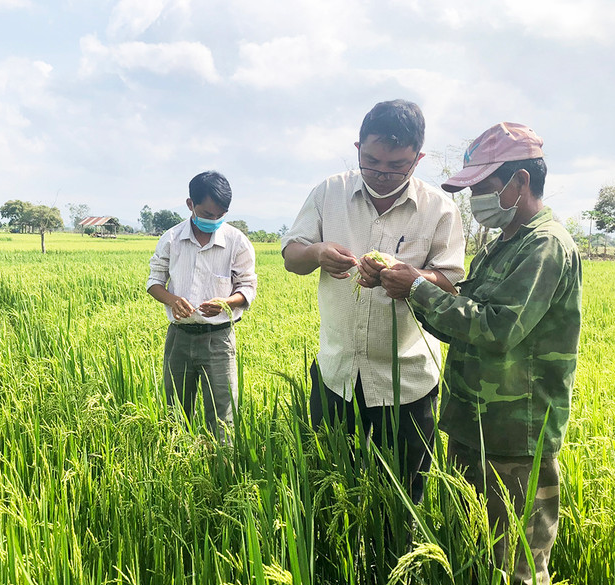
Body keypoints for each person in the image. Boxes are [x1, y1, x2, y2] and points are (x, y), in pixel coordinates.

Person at [378, 122, 582, 585]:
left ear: (518, 181)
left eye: (481, 189)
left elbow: (497, 329)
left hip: (516, 436)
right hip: (477, 426)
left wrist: (419, 288)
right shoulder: (507, 240)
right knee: (479, 553)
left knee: (515, 571)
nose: (474, 201)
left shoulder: (545, 246)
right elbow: (468, 311)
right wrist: (414, 285)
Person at [281, 99, 465, 503]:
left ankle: (396, 562)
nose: (382, 174)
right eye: (372, 161)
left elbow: (451, 283)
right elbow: (291, 256)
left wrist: (410, 278)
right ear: (357, 147)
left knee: (401, 498)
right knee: (329, 489)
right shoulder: (329, 192)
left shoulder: (440, 209)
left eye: (397, 165)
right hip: (336, 374)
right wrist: (316, 254)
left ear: (417, 159)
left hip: (407, 383)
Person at [147, 171, 257, 437]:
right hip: (179, 338)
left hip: (218, 340)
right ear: (190, 205)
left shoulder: (237, 242)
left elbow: (248, 287)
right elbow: (154, 281)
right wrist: (172, 300)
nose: (214, 220)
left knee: (223, 419)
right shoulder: (172, 239)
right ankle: (179, 466)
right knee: (175, 415)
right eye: (208, 214)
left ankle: (220, 472)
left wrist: (227, 302)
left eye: (220, 215)